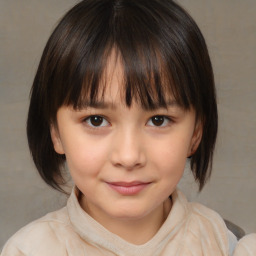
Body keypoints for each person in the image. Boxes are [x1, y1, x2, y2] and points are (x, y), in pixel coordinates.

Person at [1, 0, 256, 255]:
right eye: (96, 120)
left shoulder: (223, 243)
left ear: (196, 132)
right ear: (55, 132)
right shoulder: (29, 250)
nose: (128, 156)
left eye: (158, 120)